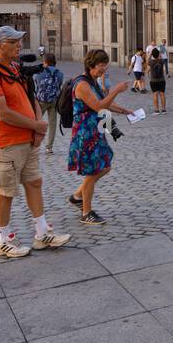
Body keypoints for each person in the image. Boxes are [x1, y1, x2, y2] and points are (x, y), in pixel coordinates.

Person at [0, 25, 70, 258]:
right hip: (6, 143)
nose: (19, 45)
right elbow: (3, 113)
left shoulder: (16, 70)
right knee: (6, 192)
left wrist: (39, 126)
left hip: (27, 141)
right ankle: (3, 240)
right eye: (14, 42)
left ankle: (42, 233)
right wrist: (36, 126)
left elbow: (33, 99)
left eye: (20, 41)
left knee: (34, 183)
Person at [68, 48, 132, 226]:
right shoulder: (82, 85)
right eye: (101, 66)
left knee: (105, 166)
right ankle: (86, 212)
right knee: (93, 171)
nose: (104, 69)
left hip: (95, 131)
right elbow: (99, 106)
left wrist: (124, 111)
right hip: (86, 134)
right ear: (91, 65)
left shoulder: (92, 81)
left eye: (105, 65)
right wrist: (117, 90)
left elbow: (106, 105)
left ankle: (77, 196)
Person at [32, 53, 64, 155]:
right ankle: (49, 147)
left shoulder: (38, 73)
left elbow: (36, 85)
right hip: (53, 101)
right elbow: (59, 85)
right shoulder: (59, 74)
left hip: (41, 101)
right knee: (52, 124)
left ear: (45, 62)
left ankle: (32, 144)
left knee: (35, 122)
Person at [148, 47, 167, 115]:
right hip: (162, 80)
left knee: (155, 94)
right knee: (162, 94)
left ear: (152, 54)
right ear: (158, 54)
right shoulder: (161, 61)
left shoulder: (151, 62)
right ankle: (164, 109)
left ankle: (156, 110)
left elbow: (147, 60)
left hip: (154, 80)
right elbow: (162, 58)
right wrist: (159, 54)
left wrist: (150, 54)